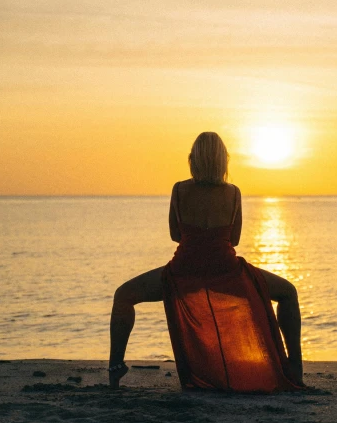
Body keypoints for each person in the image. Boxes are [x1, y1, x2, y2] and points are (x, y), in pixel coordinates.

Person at [108, 132, 304, 392]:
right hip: (226, 274)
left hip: (184, 274)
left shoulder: (179, 189)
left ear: (193, 159)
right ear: (224, 161)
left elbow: (175, 235)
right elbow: (233, 240)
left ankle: (115, 366)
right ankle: (295, 367)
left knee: (124, 295)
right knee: (288, 293)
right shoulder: (233, 193)